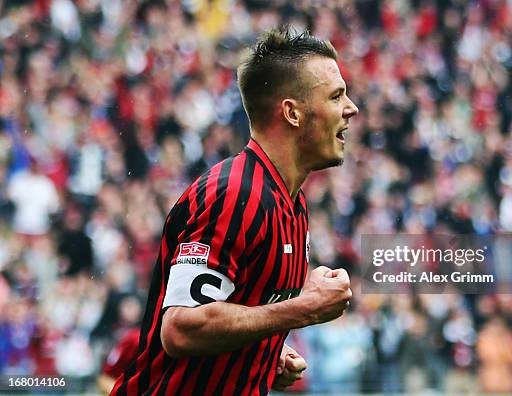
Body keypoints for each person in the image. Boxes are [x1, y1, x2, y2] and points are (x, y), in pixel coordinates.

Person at [111, 26, 358, 396]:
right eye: (336, 96)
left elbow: (230, 312)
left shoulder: (293, 203)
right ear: (291, 113)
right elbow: (181, 328)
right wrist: (303, 308)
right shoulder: (235, 194)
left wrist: (260, 354)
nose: (351, 108)